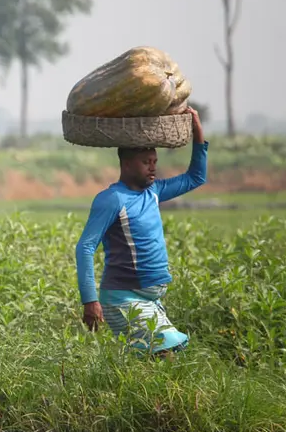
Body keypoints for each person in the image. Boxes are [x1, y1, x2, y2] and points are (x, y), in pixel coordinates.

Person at [75, 107, 207, 356]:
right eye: (146, 162)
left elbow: (195, 178)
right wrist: (90, 300)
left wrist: (198, 131)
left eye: (155, 162)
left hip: (148, 300)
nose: (152, 168)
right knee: (164, 358)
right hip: (123, 299)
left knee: (160, 361)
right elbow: (85, 247)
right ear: (126, 164)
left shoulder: (153, 192)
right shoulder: (112, 199)